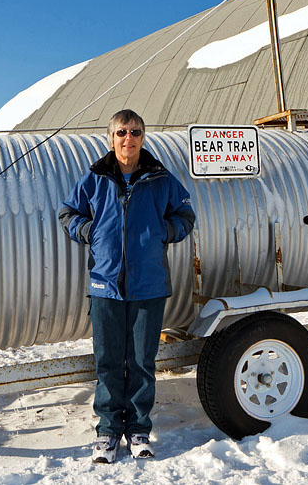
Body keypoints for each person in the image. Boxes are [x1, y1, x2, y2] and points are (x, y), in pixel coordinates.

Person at [59, 109, 196, 463]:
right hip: (105, 285)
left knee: (141, 361)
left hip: (148, 286)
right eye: (122, 132)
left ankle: (138, 430)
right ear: (112, 138)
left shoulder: (160, 178)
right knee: (107, 362)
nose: (128, 138)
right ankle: (107, 432)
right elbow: (68, 214)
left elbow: (185, 215)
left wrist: (163, 232)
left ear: (143, 137)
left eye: (135, 132)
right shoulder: (95, 178)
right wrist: (91, 232)